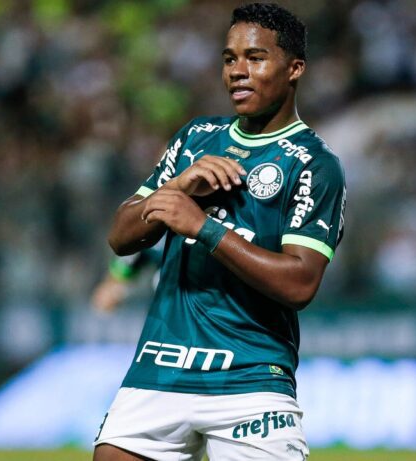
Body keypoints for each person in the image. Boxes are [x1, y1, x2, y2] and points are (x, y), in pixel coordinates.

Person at [94, 3, 346, 460]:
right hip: (159, 370)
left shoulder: (314, 164)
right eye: (230, 59)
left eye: (255, 58)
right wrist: (175, 188)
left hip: (250, 379)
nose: (237, 71)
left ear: (294, 69)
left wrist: (203, 227)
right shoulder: (196, 138)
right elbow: (120, 235)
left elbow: (300, 282)